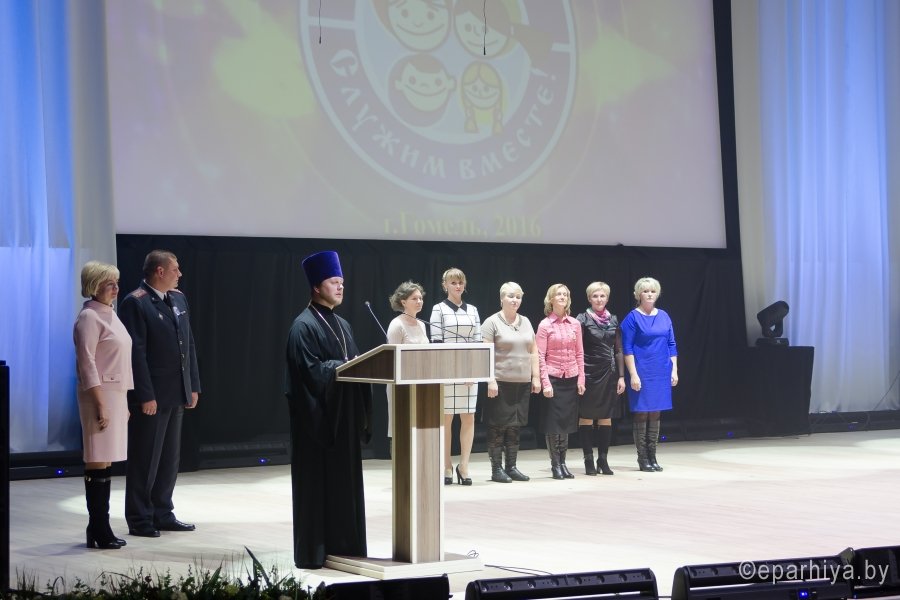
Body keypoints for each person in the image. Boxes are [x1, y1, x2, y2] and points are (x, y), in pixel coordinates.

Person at [284, 251, 373, 569]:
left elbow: (356, 365)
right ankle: (315, 551)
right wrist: (344, 366)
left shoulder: (343, 324)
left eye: (342, 282)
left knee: (344, 488)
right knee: (317, 489)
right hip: (318, 425)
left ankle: (346, 547)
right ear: (316, 286)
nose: (340, 287)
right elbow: (309, 374)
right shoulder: (303, 326)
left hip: (343, 422)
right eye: (334, 282)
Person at [119, 250, 200, 538]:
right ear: (160, 271)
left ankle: (162, 512)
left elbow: (188, 344)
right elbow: (136, 354)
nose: (180, 274)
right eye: (175, 269)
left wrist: (192, 385)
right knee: (145, 459)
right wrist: (145, 395)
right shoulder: (136, 302)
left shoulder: (178, 299)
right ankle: (140, 518)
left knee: (168, 459)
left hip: (176, 391)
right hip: (152, 394)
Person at [73, 261, 133, 549]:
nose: (116, 288)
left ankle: (99, 527)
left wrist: (123, 401)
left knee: (107, 459)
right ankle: (99, 527)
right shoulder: (89, 317)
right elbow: (87, 363)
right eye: (110, 283)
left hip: (115, 395)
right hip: (99, 395)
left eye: (116, 283)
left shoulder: (110, 314)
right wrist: (100, 403)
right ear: (94, 285)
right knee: (97, 458)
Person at [480, 282, 540, 483]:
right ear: (501, 299)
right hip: (500, 382)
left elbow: (533, 351)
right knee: (497, 426)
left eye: (518, 297)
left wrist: (536, 377)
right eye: (511, 296)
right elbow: (486, 354)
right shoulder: (491, 322)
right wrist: (490, 380)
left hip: (522, 383)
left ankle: (511, 467)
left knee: (515, 426)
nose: (515, 300)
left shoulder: (526, 321)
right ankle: (496, 469)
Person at [429, 267, 481, 486]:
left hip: (469, 373)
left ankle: (464, 466)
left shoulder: (473, 310)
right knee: (446, 419)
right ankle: (447, 466)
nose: (458, 286)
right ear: (445, 286)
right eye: (453, 282)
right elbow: (436, 343)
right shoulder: (438, 309)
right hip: (447, 372)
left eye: (460, 282)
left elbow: (478, 344)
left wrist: (472, 372)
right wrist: (448, 372)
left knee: (468, 417)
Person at [620, 277, 678, 472]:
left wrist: (674, 370)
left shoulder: (664, 316)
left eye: (653, 291)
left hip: (661, 370)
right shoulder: (632, 318)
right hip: (642, 370)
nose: (649, 294)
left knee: (656, 411)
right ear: (638, 295)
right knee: (642, 412)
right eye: (645, 291)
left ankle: (653, 455)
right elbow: (627, 348)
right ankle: (642, 457)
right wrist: (633, 374)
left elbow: (671, 344)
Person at [536, 284, 585, 480]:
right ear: (551, 299)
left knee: (566, 423)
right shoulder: (545, 325)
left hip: (571, 377)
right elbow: (540, 356)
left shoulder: (575, 324)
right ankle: (555, 464)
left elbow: (579, 353)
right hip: (553, 377)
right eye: (559, 294)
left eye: (565, 294)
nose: (562, 297)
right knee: (553, 423)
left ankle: (563, 463)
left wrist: (581, 378)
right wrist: (545, 382)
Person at [576, 282, 625, 475]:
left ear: (607, 298)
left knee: (606, 417)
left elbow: (618, 350)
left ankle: (602, 460)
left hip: (609, 374)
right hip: (589, 373)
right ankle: (588, 459)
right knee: (586, 417)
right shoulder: (582, 319)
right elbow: (578, 349)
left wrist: (621, 376)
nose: (599, 299)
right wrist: (580, 375)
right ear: (589, 298)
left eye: (602, 296)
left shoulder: (613, 319)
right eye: (595, 296)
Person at [385, 280, 429, 439]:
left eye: (420, 298)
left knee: (419, 429)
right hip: (401, 384)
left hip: (421, 382)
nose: (419, 301)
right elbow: (391, 359)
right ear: (403, 302)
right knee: (401, 428)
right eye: (414, 298)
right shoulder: (396, 325)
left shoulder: (422, 325)